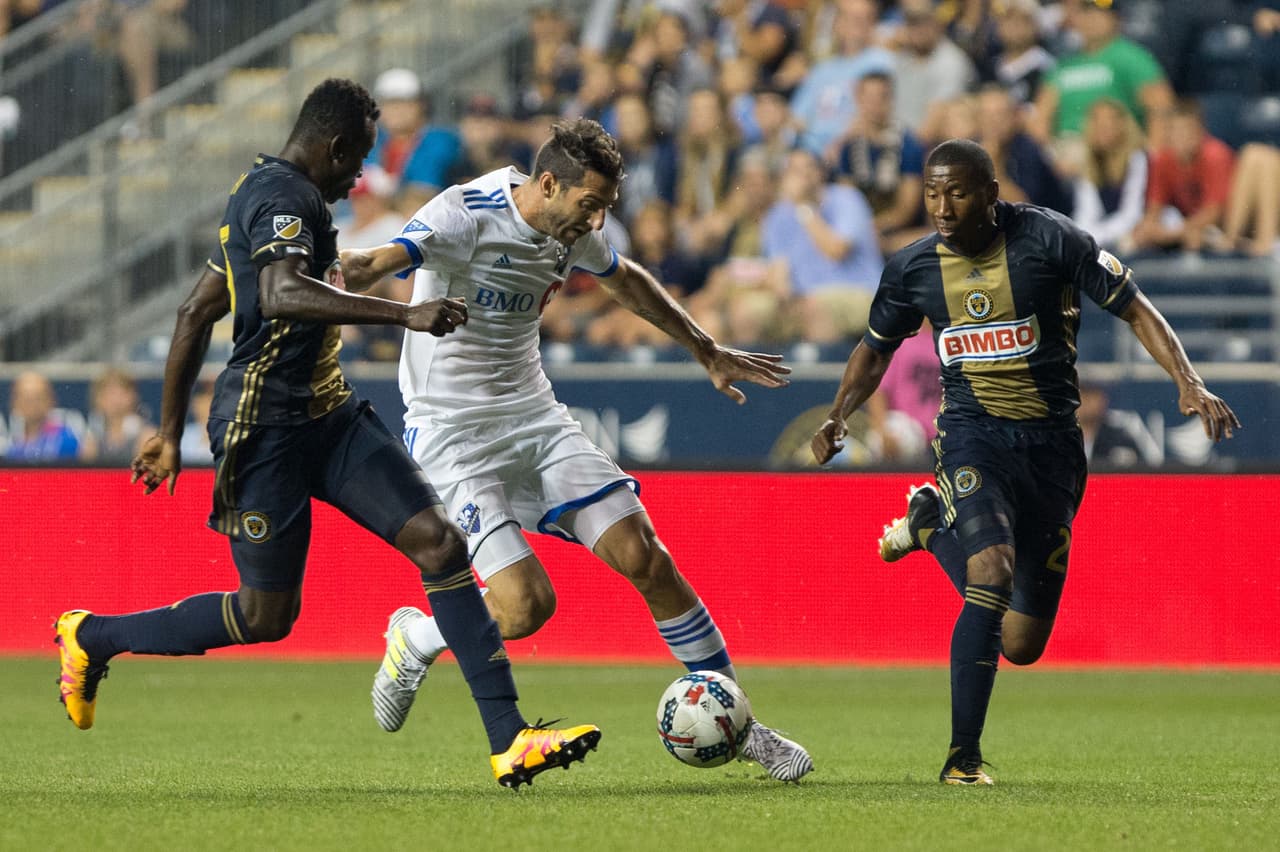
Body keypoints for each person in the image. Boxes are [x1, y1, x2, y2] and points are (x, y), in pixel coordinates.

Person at [52, 79, 600, 791]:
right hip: (262, 428)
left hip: (329, 415)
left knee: (439, 542)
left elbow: (195, 313)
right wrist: (403, 315)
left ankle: (510, 739)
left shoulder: (267, 195)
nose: (360, 176)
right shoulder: (283, 200)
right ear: (334, 147)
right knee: (264, 616)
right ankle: (92, 636)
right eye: (359, 158)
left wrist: (164, 430)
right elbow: (280, 293)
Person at [338, 118, 814, 782]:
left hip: (535, 415)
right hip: (453, 432)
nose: (595, 222)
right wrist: (336, 275)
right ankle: (416, 637)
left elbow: (628, 280)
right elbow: (379, 262)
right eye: (589, 205)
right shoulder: (464, 213)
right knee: (526, 608)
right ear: (549, 183)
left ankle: (739, 724)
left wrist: (705, 347)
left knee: (647, 558)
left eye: (605, 209)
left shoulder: (574, 230)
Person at [810, 139, 1239, 785]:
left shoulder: (1051, 239)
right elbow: (875, 349)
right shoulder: (913, 269)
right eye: (932, 193)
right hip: (972, 437)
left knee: (1019, 643)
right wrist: (839, 413)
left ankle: (928, 526)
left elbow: (1135, 307)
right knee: (991, 567)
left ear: (990, 192)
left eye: (956, 192)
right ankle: (962, 759)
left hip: (1053, 449)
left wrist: (1188, 380)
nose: (942, 207)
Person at [1131, 99, 1235, 254]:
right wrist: (1148, 228)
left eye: (1188, 131)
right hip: (1189, 225)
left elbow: (1214, 213)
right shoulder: (1163, 159)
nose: (1183, 137)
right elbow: (1154, 208)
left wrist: (1172, 234)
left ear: (1201, 131)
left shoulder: (1215, 155)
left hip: (1227, 226)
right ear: (1168, 135)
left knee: (1194, 239)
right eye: (1176, 131)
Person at [81, 366, 155, 465]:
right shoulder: (92, 438)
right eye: (109, 394)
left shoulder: (147, 435)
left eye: (121, 393)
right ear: (98, 399)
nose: (116, 400)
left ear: (133, 396)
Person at [5, 370, 81, 461]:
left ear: (51, 400)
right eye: (26, 398)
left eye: (38, 398)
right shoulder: (10, 446)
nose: (32, 405)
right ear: (14, 402)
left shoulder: (65, 440)